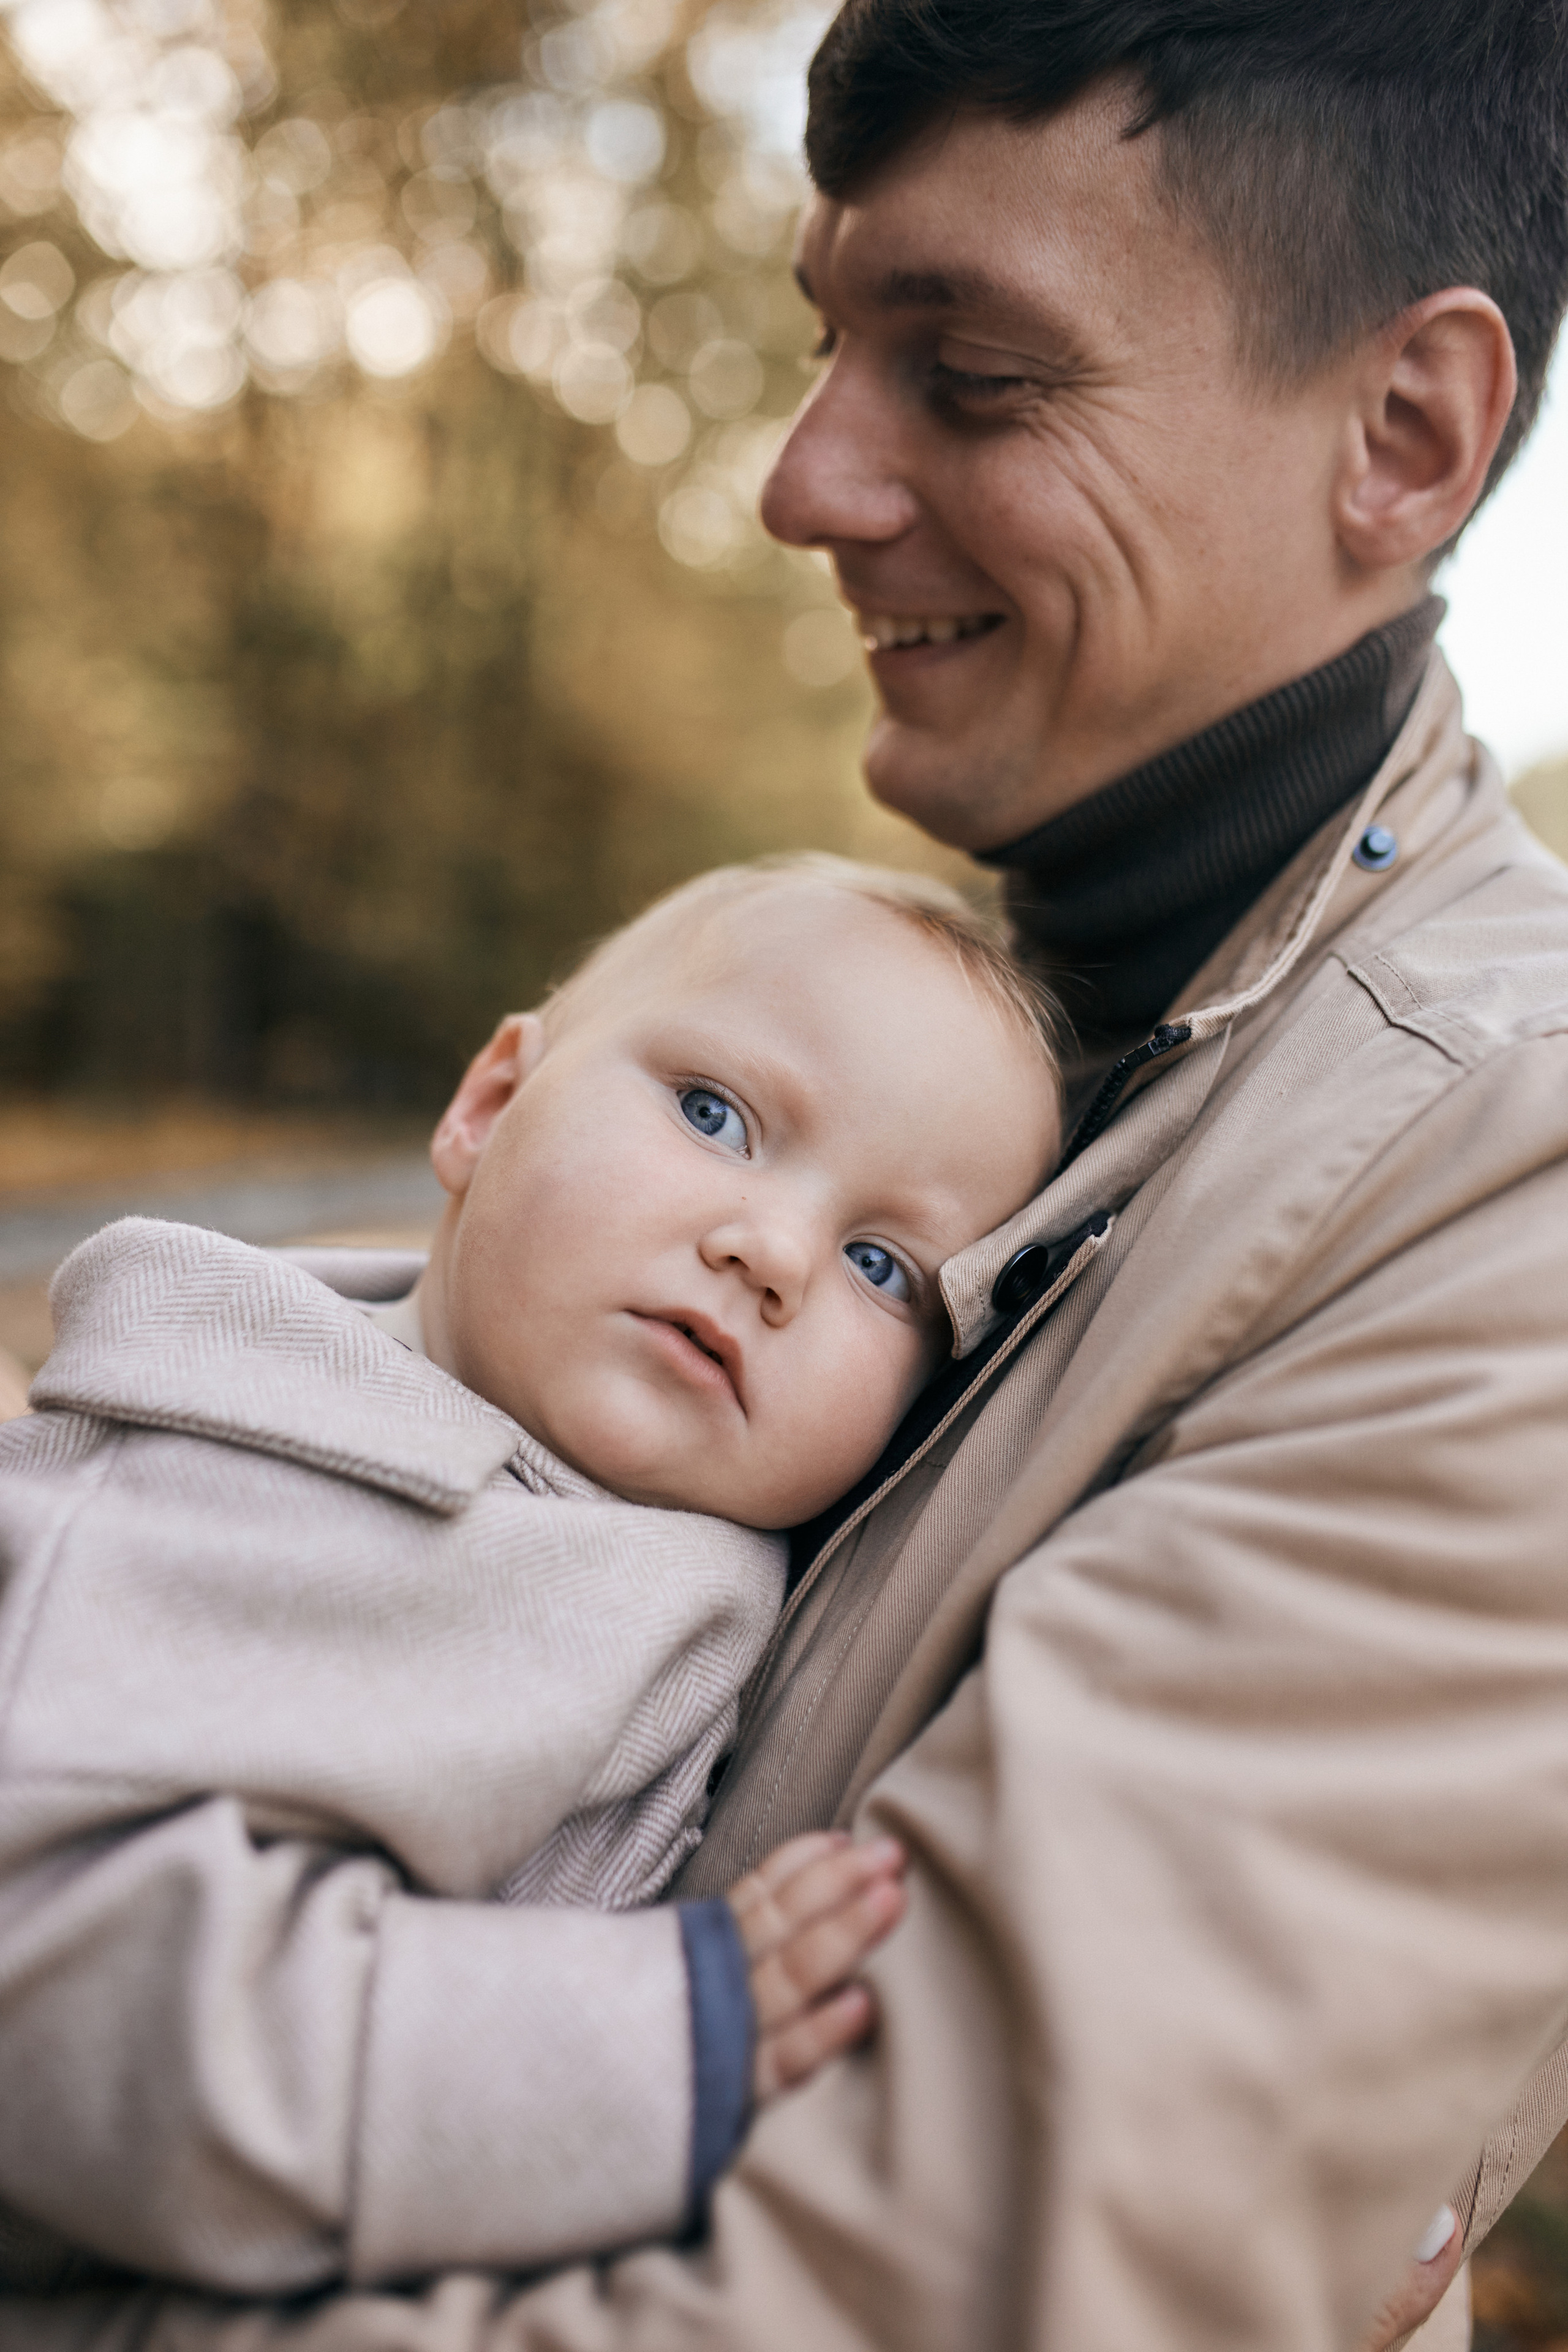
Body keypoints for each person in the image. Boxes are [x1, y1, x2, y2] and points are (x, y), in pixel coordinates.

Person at [9, 0, 1568, 2345]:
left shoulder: (1499, 1202)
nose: (805, 482)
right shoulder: (1064, 1034)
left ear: (1402, 431)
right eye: (831, 338)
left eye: (976, 371)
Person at [0, 859, 1060, 2297]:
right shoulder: (243, 1479)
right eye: (715, 1115)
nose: (774, 1254)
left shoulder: (669, 1543)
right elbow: (54, 1993)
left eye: (882, 1264)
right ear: (489, 1106)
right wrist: (649, 2044)